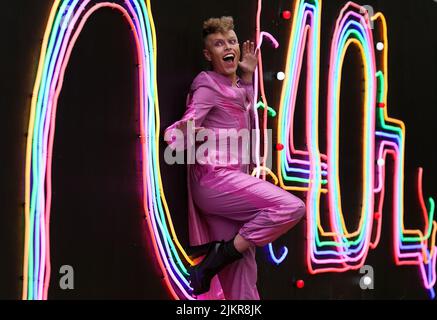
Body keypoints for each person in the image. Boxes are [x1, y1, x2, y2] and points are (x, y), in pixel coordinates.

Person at [164, 16, 305, 300]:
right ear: (208, 54)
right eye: (218, 43)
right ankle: (221, 254)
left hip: (231, 187)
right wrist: (182, 132)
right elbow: (181, 127)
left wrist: (249, 78)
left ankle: (224, 255)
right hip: (216, 180)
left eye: (231, 41)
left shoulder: (238, 87)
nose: (227, 46)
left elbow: (242, 103)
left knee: (242, 283)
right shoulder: (206, 84)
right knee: (291, 207)